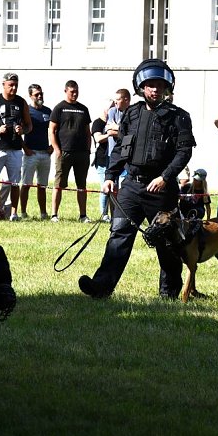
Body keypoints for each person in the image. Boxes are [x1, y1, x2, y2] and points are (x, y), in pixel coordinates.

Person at [78, 58, 195, 299]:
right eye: (150, 85)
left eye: (159, 85)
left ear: (167, 88)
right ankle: (101, 288)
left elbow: (184, 152)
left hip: (161, 189)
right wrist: (110, 176)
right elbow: (121, 149)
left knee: (167, 242)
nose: (155, 89)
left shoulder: (179, 117)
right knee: (118, 235)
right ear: (141, 87)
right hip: (131, 186)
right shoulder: (131, 113)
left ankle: (169, 292)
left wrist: (165, 177)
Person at [0, 72, 32, 221]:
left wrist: (22, 130)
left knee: (14, 183)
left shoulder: (21, 102)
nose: (14, 88)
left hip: (15, 149)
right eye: (11, 85)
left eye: (16, 85)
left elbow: (29, 126)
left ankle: (13, 213)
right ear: (3, 85)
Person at [49, 79, 92, 223]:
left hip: (82, 153)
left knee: (82, 185)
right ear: (65, 91)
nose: (75, 94)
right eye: (72, 91)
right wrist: (57, 149)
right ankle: (54, 215)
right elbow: (52, 130)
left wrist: (88, 149)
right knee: (59, 184)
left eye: (76, 91)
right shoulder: (59, 108)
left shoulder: (83, 109)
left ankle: (83, 215)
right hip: (64, 152)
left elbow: (87, 132)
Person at [19, 84, 52, 219]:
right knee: (26, 184)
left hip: (45, 153)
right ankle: (23, 213)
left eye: (41, 94)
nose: (39, 96)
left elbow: (55, 130)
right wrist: (25, 148)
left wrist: (52, 146)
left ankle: (43, 213)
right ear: (30, 96)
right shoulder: (26, 111)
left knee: (42, 186)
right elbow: (18, 131)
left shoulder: (48, 111)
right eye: (36, 94)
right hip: (30, 153)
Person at [91, 102, 114, 222]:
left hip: (115, 159)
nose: (112, 109)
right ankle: (104, 215)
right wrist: (110, 134)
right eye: (110, 107)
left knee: (115, 189)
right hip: (102, 160)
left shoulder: (116, 121)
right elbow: (98, 138)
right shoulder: (98, 123)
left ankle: (115, 215)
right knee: (104, 188)